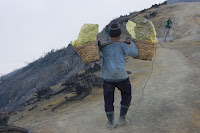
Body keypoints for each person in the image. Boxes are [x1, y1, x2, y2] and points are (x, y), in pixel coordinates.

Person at [99, 23, 138, 129]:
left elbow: (94, 49)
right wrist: (132, 43)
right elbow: (134, 53)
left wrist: (99, 43)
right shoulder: (123, 45)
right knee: (126, 96)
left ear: (110, 34)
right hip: (121, 77)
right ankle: (122, 119)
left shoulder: (104, 46)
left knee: (108, 100)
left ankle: (111, 123)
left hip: (107, 79)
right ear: (120, 34)